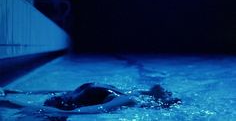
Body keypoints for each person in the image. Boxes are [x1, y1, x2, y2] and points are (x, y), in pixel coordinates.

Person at [0, 83, 181, 115]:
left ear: (162, 103)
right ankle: (11, 94)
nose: (170, 91)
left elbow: (88, 111)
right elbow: (62, 91)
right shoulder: (138, 95)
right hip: (81, 93)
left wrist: (9, 103)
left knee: (62, 97)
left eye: (169, 94)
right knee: (63, 92)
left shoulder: (129, 100)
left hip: (67, 104)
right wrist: (16, 92)